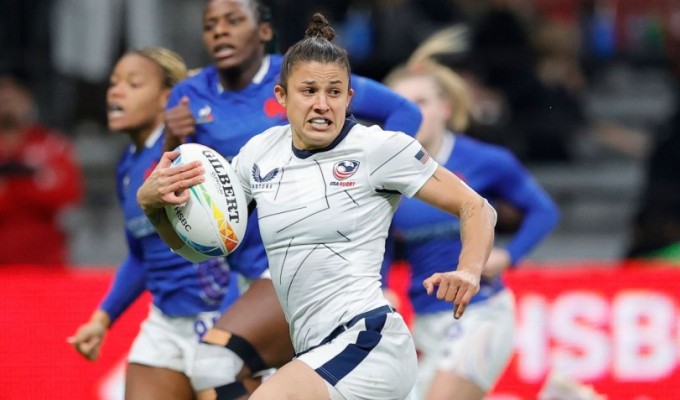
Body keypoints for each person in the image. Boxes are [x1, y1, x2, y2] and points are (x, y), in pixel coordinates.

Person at [137, 13, 497, 400]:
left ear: (349, 97)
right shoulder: (259, 153)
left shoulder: (379, 149)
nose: (322, 104)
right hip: (311, 350)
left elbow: (477, 208)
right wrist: (153, 206)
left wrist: (469, 270)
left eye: (334, 91)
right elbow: (203, 246)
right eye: (309, 90)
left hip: (368, 341)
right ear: (281, 97)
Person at [67, 47, 251, 400]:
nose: (115, 92)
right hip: (165, 325)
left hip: (219, 318)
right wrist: (102, 318)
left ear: (167, 96)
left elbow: (238, 236)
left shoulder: (193, 149)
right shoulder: (127, 168)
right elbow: (141, 256)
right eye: (114, 83)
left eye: (133, 84)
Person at [381, 40, 560, 399]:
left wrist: (509, 256)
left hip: (482, 312)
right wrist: (382, 285)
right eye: (401, 104)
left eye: (421, 102)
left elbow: (544, 211)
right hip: (425, 319)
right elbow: (380, 237)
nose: (412, 113)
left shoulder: (484, 160)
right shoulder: (386, 171)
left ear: (445, 108)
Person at [0, 74, 83, 265]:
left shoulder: (52, 144)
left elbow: (68, 193)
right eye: (2, 100)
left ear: (27, 102)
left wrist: (12, 188)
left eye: (13, 100)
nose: (7, 106)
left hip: (45, 259)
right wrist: (33, 180)